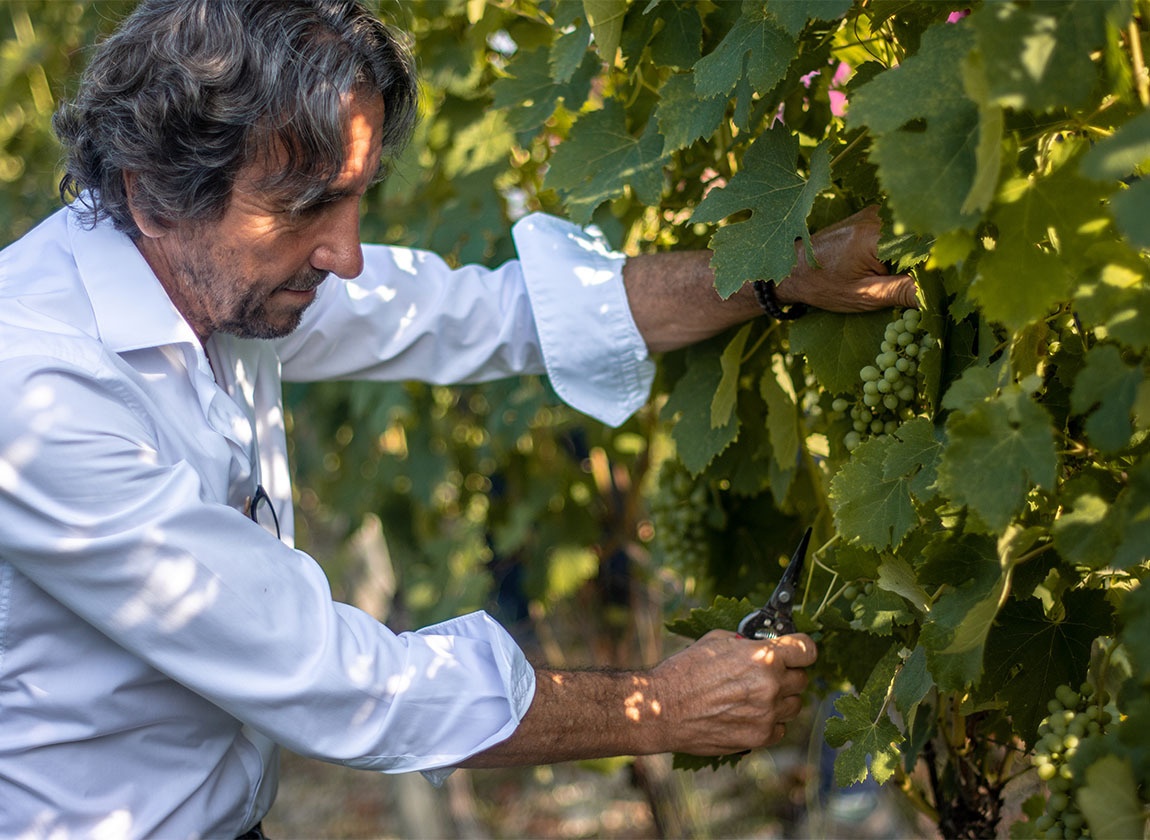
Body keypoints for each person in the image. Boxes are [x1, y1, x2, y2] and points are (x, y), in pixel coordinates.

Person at [0, 0, 915, 835]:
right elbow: (345, 688)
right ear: (150, 191)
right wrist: (659, 705)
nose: (348, 255)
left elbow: (490, 313)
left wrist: (780, 274)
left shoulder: (212, 275)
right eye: (307, 206)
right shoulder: (39, 392)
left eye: (357, 196)